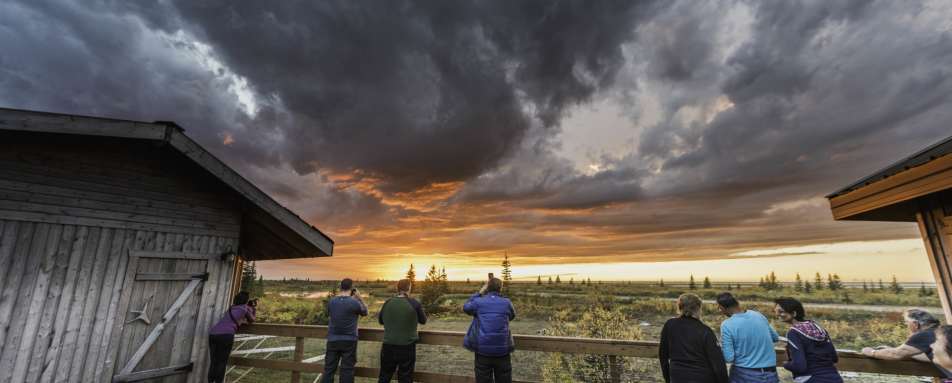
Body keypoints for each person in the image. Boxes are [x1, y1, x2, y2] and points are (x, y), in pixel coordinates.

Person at [658, 293, 729, 383]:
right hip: (703, 378)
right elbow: (718, 364)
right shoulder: (705, 331)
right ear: (698, 308)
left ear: (680, 308)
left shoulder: (670, 325)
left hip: (677, 377)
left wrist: (668, 378)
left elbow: (663, 355)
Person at [863, 308, 952, 378]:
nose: (906, 326)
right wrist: (903, 352)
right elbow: (929, 357)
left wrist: (872, 352)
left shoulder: (923, 334)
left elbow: (895, 354)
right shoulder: (943, 332)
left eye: (906, 323)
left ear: (915, 324)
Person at [773, 297, 842, 382]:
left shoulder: (794, 332)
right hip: (834, 377)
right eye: (775, 311)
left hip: (811, 379)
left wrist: (786, 365)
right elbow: (834, 358)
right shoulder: (818, 328)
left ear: (794, 313)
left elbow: (800, 366)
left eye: (781, 311)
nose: (777, 314)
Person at [717, 292, 781, 383]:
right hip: (770, 373)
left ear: (722, 307)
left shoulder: (727, 325)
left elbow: (729, 358)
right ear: (736, 303)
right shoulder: (758, 315)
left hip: (744, 374)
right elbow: (775, 337)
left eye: (719, 308)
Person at [463, 277, 516, 383]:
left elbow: (466, 307)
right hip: (503, 351)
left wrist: (479, 293)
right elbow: (511, 316)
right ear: (500, 288)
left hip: (483, 351)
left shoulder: (478, 302)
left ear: (487, 288)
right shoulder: (506, 302)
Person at [378, 279, 427, 383]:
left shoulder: (388, 302)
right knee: (405, 377)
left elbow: (380, 321)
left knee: (384, 376)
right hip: (407, 346)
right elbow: (423, 320)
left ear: (397, 288)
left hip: (388, 345)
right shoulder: (414, 303)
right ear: (409, 288)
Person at [322, 278, 369, 383]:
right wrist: (360, 298)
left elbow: (329, 314)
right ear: (351, 288)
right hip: (349, 340)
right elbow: (365, 312)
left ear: (340, 287)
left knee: (329, 370)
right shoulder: (354, 302)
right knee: (347, 371)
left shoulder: (332, 301)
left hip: (333, 339)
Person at [207, 291, 257, 383]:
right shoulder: (245, 309)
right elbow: (252, 320)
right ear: (246, 301)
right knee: (222, 362)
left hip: (213, 334)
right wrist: (253, 308)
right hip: (226, 336)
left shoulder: (231, 308)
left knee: (214, 362)